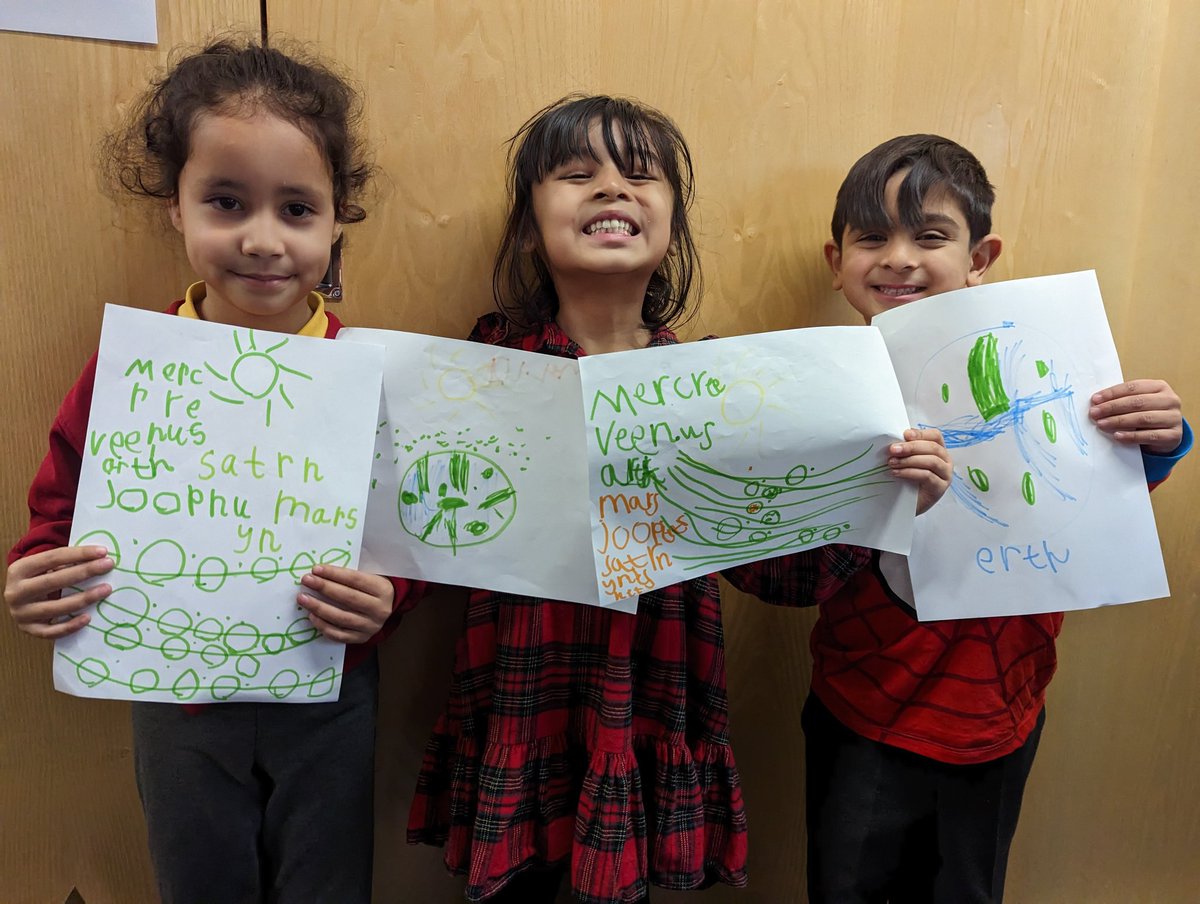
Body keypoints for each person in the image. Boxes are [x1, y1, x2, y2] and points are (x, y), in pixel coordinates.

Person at [404, 96, 951, 904]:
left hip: (646, 698)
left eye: (640, 174)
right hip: (523, 695)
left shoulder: (716, 390)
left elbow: (781, 574)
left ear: (672, 227)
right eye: (577, 174)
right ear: (527, 228)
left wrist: (885, 498)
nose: (612, 188)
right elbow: (425, 521)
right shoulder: (483, 368)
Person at [3, 37, 424, 904]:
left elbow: (412, 526)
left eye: (297, 209)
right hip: (174, 696)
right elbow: (63, 502)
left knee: (328, 886)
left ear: (337, 220)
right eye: (226, 202)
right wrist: (38, 572)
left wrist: (392, 594)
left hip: (327, 690)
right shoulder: (134, 369)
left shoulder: (367, 375)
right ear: (176, 207)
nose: (263, 240)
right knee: (196, 882)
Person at [799, 133, 1192, 903]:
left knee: (968, 890)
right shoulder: (820, 396)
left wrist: (1160, 439)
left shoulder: (1039, 366)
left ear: (980, 257)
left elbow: (1090, 497)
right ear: (836, 262)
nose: (899, 258)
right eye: (872, 237)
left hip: (1000, 709)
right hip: (864, 707)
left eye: (930, 236)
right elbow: (791, 554)